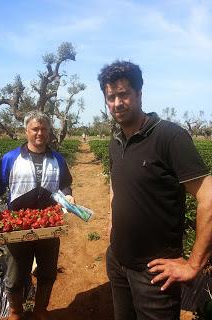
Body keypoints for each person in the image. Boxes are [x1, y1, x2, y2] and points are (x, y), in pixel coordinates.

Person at [98, 60, 212, 320]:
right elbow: (117, 189)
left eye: (123, 94)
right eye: (110, 97)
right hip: (117, 261)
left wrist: (194, 265)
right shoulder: (115, 142)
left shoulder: (170, 137)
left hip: (154, 274)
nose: (117, 103)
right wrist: (113, 226)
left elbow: (209, 197)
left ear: (139, 93)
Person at [0, 111, 74, 320]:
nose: (40, 133)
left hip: (49, 226)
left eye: (44, 129)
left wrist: (68, 196)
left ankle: (40, 309)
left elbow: (65, 184)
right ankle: (15, 311)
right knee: (14, 276)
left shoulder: (58, 159)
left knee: (47, 272)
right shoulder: (11, 158)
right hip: (16, 226)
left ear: (50, 132)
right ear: (26, 131)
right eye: (35, 129)